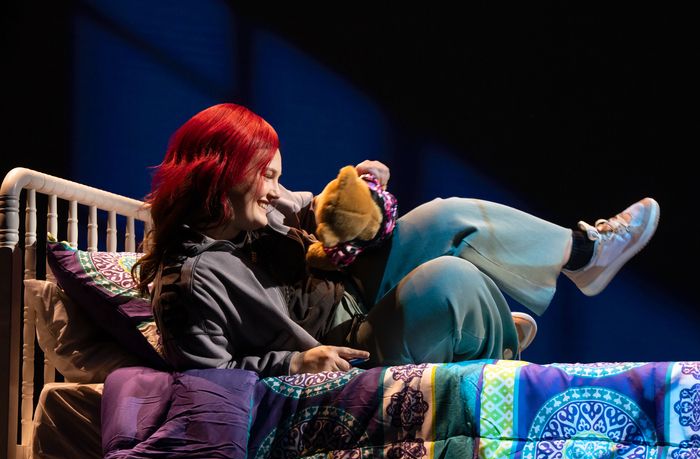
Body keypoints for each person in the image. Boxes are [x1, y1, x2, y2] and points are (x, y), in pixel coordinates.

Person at [134, 103, 660, 377]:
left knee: (446, 215)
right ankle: (486, 337)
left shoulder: (255, 211)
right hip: (347, 342)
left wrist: (360, 194)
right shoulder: (190, 282)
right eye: (266, 176)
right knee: (451, 279)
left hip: (353, 292)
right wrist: (294, 363)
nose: (275, 190)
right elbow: (205, 381)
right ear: (220, 173)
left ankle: (583, 255)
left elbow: (320, 212)